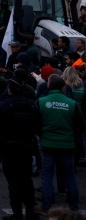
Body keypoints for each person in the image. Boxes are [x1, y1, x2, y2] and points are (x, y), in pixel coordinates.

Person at [0, 76, 42, 220]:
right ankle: (31, 211)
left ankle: (17, 213)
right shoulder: (32, 105)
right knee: (26, 180)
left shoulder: (4, 106)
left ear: (10, 90)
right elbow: (39, 127)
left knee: (13, 181)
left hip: (9, 148)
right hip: (26, 147)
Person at [37, 74, 84, 214]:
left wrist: (43, 134)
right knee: (69, 175)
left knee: (47, 175)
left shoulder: (41, 101)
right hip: (67, 145)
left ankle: (46, 206)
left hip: (48, 144)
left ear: (49, 86)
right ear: (64, 88)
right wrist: (71, 135)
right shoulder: (72, 103)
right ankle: (74, 207)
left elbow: (35, 123)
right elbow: (81, 126)